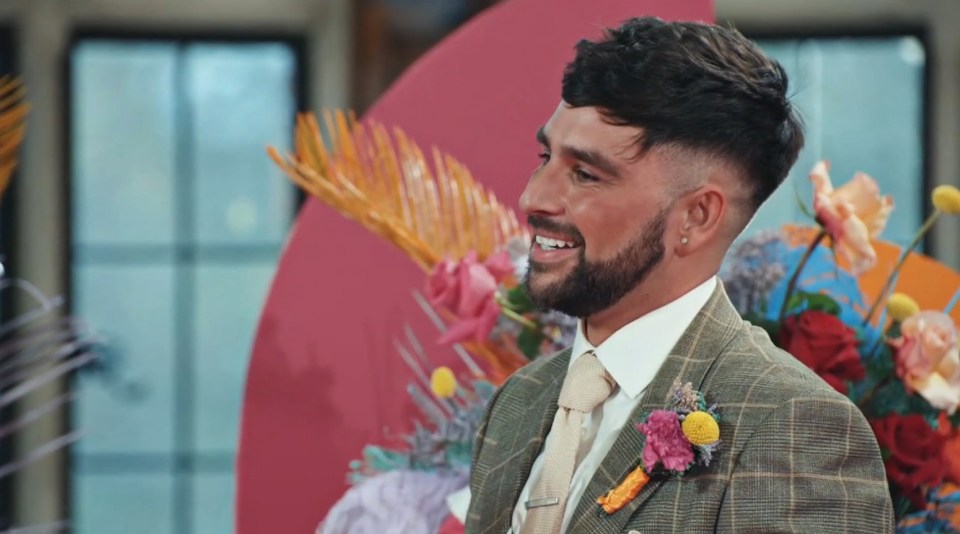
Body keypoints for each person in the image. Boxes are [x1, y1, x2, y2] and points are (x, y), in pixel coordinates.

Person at [464, 16, 894, 534]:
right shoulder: (518, 402)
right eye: (545, 157)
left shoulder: (790, 425)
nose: (533, 197)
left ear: (697, 217)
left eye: (585, 173)